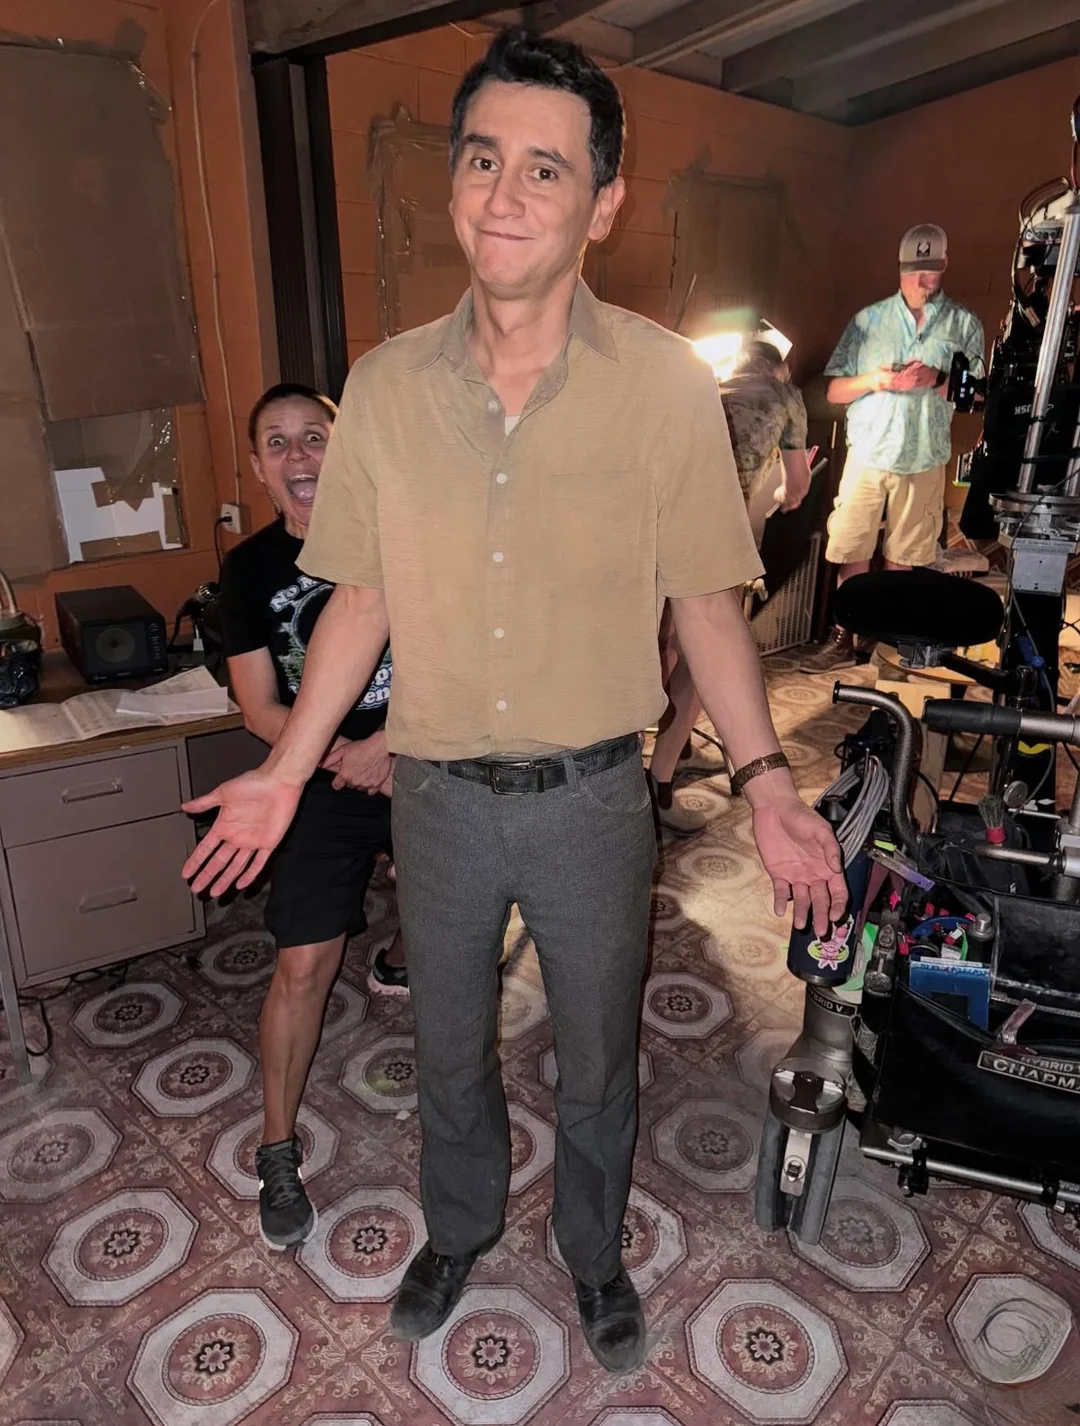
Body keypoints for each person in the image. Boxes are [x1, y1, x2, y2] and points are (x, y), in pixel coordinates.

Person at [183, 30, 845, 1373]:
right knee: (448, 1050)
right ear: (454, 183)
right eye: (483, 159)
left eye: (546, 169)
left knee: (598, 1055)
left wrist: (770, 784)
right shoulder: (384, 389)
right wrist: (287, 767)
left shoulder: (662, 386)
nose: (505, 194)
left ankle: (593, 1252)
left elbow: (707, 604)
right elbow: (360, 601)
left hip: (593, 799)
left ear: (602, 203)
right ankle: (459, 1227)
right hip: (434, 796)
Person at [217, 382, 407, 1250]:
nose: (299, 455)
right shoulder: (249, 570)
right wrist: (337, 758)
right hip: (317, 779)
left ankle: (404, 966)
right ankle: (277, 1147)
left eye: (315, 436)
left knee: (458, 940)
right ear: (260, 469)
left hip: (419, 759)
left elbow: (461, 665)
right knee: (302, 966)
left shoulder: (402, 537)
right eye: (278, 442)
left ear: (345, 447)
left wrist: (391, 746)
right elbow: (259, 705)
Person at [801, 223, 984, 673]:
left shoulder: (963, 324)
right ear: (900, 268)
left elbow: (977, 395)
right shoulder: (869, 321)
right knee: (851, 546)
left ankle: (884, 641)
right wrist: (875, 380)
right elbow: (834, 391)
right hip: (868, 452)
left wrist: (936, 379)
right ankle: (844, 636)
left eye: (931, 271)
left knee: (904, 557)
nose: (923, 281)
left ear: (945, 266)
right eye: (914, 271)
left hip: (923, 458)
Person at [649, 340, 813, 834]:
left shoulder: (711, 386)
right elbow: (797, 486)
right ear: (780, 368)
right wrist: (785, 492)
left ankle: (676, 748)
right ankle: (657, 784)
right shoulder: (787, 396)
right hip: (712, 532)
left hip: (657, 522)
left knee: (665, 645)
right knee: (701, 659)